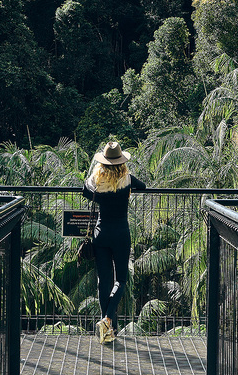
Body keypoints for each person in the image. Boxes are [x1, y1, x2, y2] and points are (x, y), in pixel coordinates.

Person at [82, 141, 146, 344]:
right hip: (121, 234)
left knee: (104, 280)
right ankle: (108, 319)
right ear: (121, 162)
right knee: (121, 280)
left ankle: (105, 325)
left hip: (101, 234)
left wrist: (97, 172)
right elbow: (143, 186)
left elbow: (84, 190)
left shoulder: (96, 181)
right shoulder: (127, 179)